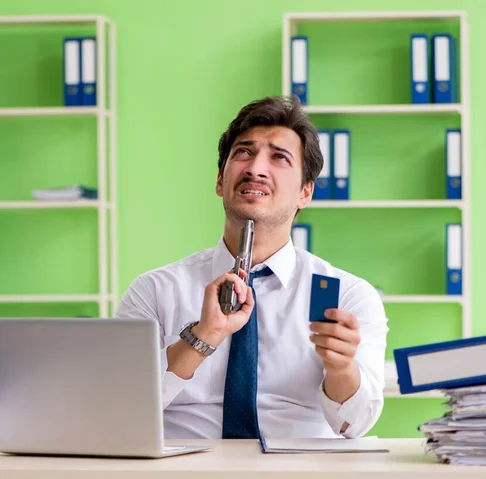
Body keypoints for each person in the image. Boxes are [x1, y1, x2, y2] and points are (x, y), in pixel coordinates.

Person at [116, 95, 389, 440]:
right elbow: (120, 409)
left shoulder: (347, 296)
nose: (255, 168)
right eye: (243, 152)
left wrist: (340, 367)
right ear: (220, 180)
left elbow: (356, 425)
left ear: (306, 192)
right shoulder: (154, 291)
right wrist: (202, 337)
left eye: (279, 157)